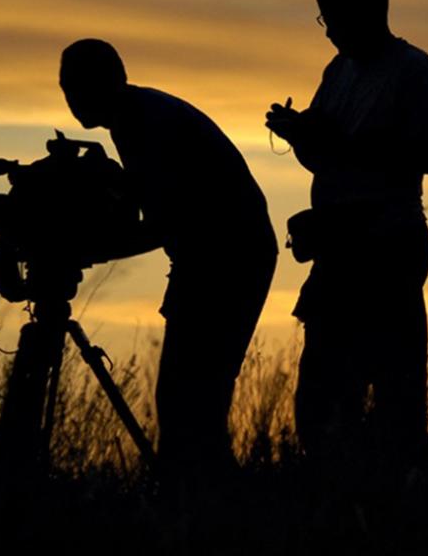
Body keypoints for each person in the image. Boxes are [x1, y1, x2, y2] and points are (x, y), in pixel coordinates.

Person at [58, 38, 278, 477]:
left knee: (192, 401)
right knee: (188, 400)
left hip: (226, 262)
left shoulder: (144, 121)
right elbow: (163, 206)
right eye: (65, 87)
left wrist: (89, 249)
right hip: (212, 260)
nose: (70, 98)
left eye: (75, 87)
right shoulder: (136, 116)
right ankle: (199, 496)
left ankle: (203, 504)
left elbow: (166, 221)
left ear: (105, 83)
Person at [265, 0, 428, 469]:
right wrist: (301, 136)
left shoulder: (414, 71)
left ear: (369, 9)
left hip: (388, 243)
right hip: (337, 246)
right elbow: (324, 155)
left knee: (395, 394)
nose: (330, 32)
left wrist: (341, 145)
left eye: (334, 18)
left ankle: (398, 501)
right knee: (321, 398)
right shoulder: (339, 70)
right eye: (324, 19)